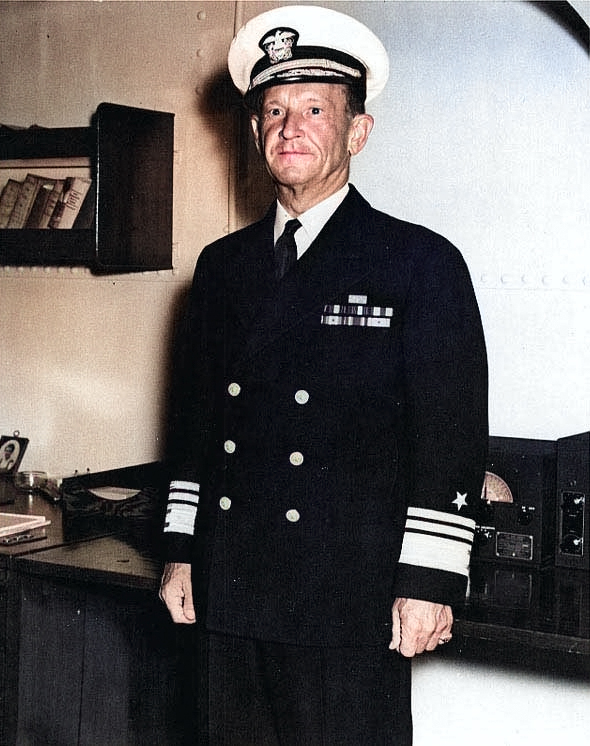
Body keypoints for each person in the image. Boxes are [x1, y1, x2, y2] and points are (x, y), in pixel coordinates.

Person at [160, 5, 488, 745]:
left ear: (357, 132)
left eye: (314, 109)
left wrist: (429, 584)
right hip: (231, 585)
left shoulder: (417, 263)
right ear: (253, 133)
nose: (289, 128)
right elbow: (196, 427)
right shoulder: (222, 268)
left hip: (348, 595)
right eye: (273, 111)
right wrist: (181, 551)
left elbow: (451, 436)